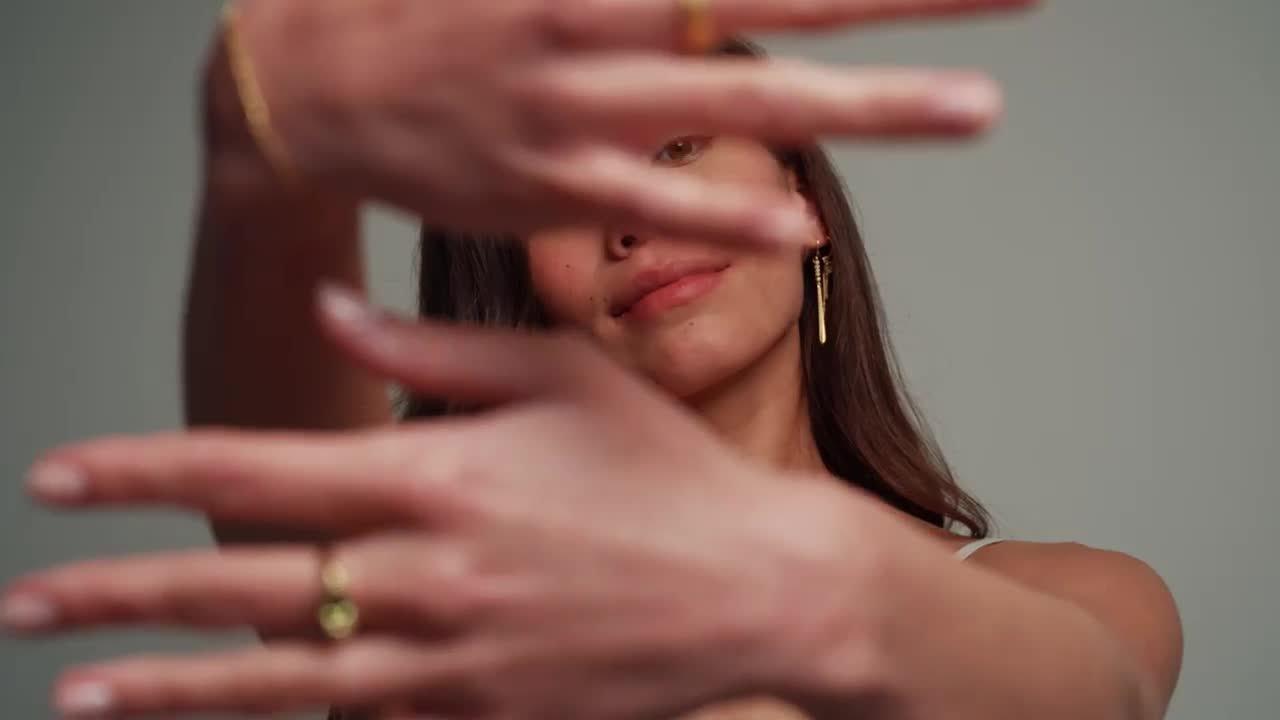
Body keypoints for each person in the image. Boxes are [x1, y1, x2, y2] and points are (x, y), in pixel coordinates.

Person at [2, 0, 1183, 719]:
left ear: (804, 202)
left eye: (675, 149)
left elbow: (1098, 697)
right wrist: (269, 174)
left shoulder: (1067, 597)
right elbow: (324, 563)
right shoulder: (468, 625)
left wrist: (837, 594)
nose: (631, 219)